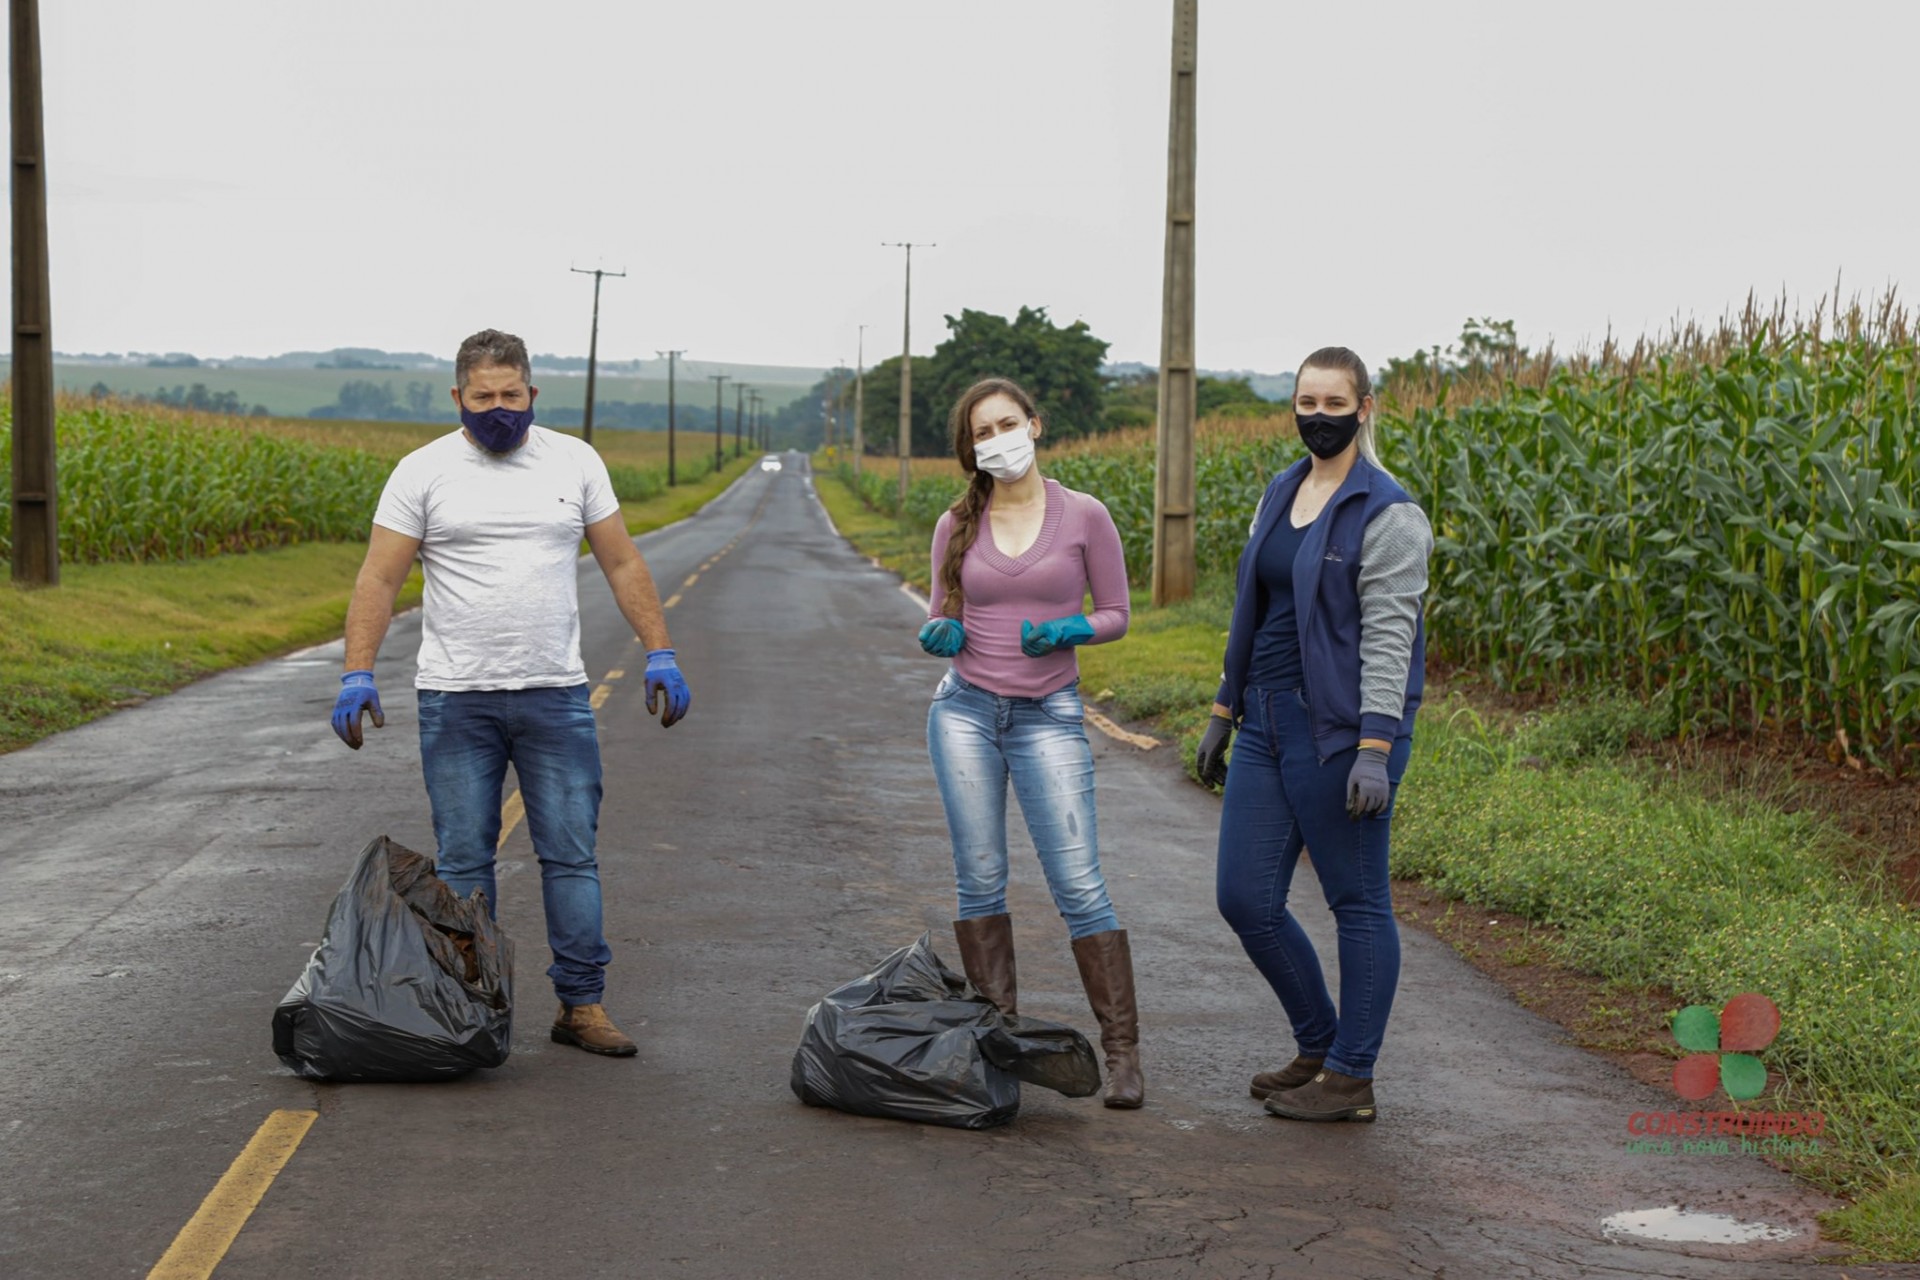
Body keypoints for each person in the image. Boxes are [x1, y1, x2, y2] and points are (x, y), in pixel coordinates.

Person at [330, 328, 691, 1058]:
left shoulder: (573, 462)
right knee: (464, 862)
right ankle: (472, 1010)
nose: (500, 409)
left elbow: (621, 561)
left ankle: (581, 1006)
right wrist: (357, 670)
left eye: (512, 395)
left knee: (571, 857)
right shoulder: (423, 472)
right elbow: (380, 577)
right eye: (484, 397)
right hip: (456, 696)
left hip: (554, 693)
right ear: (457, 397)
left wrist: (661, 650)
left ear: (533, 393)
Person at [1197, 346, 1432, 1123]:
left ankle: (1352, 1076)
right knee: (1245, 899)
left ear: (1365, 408)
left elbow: (1392, 638)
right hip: (1264, 719)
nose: (1319, 418)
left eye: (1336, 404)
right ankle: (1319, 1043)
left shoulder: (1387, 512)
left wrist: (1374, 747)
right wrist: (1224, 710)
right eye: (1307, 402)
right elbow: (1251, 611)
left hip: (1338, 730)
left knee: (1357, 901)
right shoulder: (1281, 487)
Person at [918, 376, 1144, 1109]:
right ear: (969, 449)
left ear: (1035, 426)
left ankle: (1122, 1058)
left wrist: (1074, 629)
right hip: (965, 713)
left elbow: (1116, 612)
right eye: (981, 434)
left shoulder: (1085, 516)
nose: (996, 441)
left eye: (1006, 424)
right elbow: (939, 612)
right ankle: (1000, 1048)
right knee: (979, 877)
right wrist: (938, 632)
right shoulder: (957, 522)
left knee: (1078, 883)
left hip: (1050, 712)